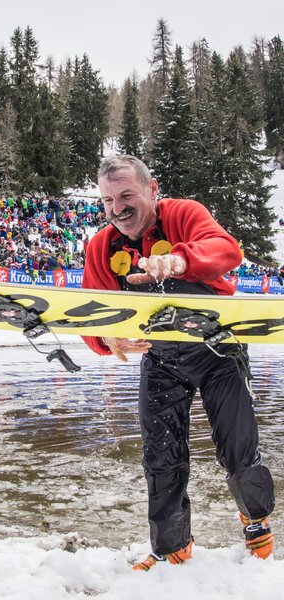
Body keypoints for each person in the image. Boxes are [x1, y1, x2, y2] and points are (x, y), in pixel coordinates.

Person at [81, 155, 275, 569]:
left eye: (127, 195)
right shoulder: (101, 246)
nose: (118, 209)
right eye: (108, 201)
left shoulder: (184, 213)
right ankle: (172, 547)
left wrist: (181, 260)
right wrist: (105, 336)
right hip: (161, 357)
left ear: (153, 190)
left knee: (239, 450)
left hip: (219, 349)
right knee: (160, 458)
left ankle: (255, 520)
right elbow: (88, 311)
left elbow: (226, 250)